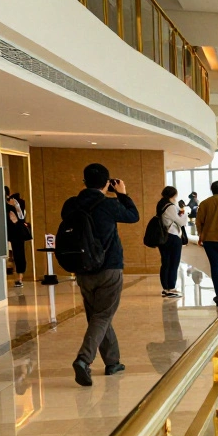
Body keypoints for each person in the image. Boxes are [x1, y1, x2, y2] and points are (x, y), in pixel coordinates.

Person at [62, 163, 138, 386]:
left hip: (82, 268)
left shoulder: (71, 205)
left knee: (98, 316)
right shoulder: (109, 205)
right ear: (107, 183)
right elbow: (133, 216)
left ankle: (112, 361)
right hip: (109, 268)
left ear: (83, 182)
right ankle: (84, 359)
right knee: (102, 316)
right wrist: (122, 194)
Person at [157, 187, 187, 298]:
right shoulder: (170, 207)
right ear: (173, 195)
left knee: (165, 263)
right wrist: (183, 212)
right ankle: (171, 288)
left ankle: (166, 288)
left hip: (164, 236)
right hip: (172, 237)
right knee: (173, 263)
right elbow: (182, 222)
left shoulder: (161, 205)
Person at [5, 192, 30, 288]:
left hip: (16, 232)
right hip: (13, 232)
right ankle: (18, 277)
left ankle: (19, 278)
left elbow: (20, 217)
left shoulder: (17, 202)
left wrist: (15, 207)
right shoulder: (9, 204)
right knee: (17, 254)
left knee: (18, 254)